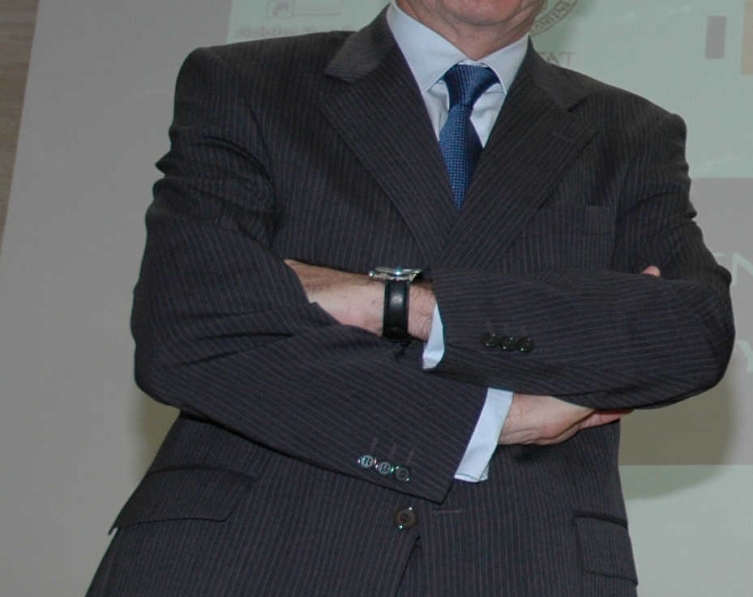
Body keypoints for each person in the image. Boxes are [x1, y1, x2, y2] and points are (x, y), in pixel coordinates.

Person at [86, 0, 734, 595]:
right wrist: (491, 419)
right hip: (250, 557)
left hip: (521, 564)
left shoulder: (631, 133)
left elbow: (686, 334)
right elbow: (191, 330)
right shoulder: (250, 82)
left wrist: (396, 303)